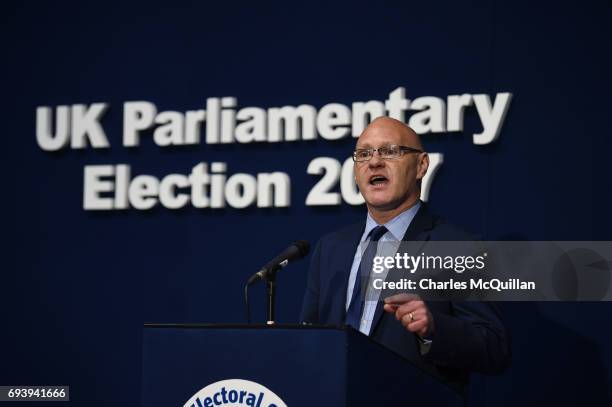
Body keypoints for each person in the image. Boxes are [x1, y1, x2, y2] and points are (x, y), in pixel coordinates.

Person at [300, 117, 510, 390]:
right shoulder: (330, 248)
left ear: (421, 166)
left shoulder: (460, 246)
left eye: (390, 151)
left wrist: (434, 329)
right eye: (363, 154)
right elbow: (309, 339)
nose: (374, 162)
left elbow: (493, 348)